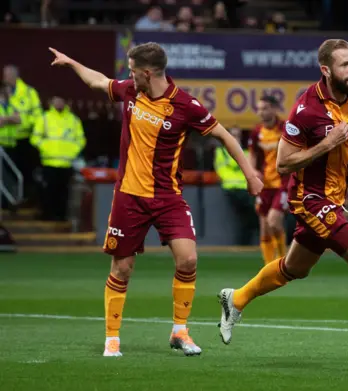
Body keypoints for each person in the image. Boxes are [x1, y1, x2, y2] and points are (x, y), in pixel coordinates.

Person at [217, 39, 348, 371]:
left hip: (333, 199)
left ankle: (237, 298)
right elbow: (284, 164)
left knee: (294, 269)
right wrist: (327, 144)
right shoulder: (306, 110)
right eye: (346, 65)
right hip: (309, 200)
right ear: (326, 70)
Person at [48, 43, 263, 358]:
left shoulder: (186, 106)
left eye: (133, 70)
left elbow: (225, 136)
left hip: (167, 197)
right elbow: (97, 81)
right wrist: (71, 62)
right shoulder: (130, 92)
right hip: (129, 196)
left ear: (147, 73)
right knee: (122, 268)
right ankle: (112, 338)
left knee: (188, 259)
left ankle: (179, 332)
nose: (129, 76)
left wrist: (251, 175)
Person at [30, 96, 86, 221]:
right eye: (56, 100)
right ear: (51, 102)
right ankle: (48, 215)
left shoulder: (73, 120)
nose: (58, 103)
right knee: (48, 191)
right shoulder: (44, 118)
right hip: (49, 162)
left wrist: (72, 152)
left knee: (64, 192)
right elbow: (35, 138)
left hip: (66, 163)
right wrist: (46, 148)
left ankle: (61, 216)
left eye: (61, 100)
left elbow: (81, 140)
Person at [249, 95, 289, 264]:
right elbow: (252, 155)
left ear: (273, 109)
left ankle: (282, 263)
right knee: (265, 228)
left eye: (264, 108)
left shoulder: (285, 128)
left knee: (274, 222)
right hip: (264, 185)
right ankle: (268, 267)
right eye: (259, 109)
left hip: (283, 184)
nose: (261, 112)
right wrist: (252, 172)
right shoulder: (257, 132)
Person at [3, 65, 43, 204]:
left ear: (16, 76)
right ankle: (7, 200)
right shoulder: (2, 92)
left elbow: (38, 117)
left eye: (8, 75)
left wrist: (21, 122)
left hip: (25, 139)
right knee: (7, 172)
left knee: (25, 172)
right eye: (4, 75)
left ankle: (23, 200)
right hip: (6, 140)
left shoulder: (29, 92)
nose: (5, 77)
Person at [215, 127, 258, 245]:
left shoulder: (246, 152)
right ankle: (245, 241)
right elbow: (223, 170)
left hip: (246, 189)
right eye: (233, 135)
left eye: (238, 135)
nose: (235, 138)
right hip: (232, 188)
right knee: (251, 211)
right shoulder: (222, 152)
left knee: (250, 216)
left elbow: (252, 169)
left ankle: (247, 241)